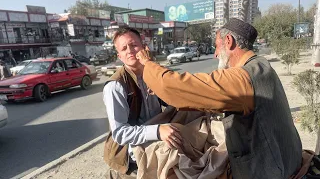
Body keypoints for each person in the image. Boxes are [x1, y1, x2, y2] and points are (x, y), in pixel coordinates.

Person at [136, 18, 303, 178]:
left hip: (269, 171)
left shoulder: (243, 78)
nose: (215, 54)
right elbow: (208, 99)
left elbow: (179, 86)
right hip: (285, 161)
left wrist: (148, 64)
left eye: (216, 46)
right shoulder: (260, 65)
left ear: (229, 41)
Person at [102, 27, 183, 178]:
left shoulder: (153, 73)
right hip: (130, 156)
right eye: (124, 48)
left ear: (144, 47)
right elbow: (120, 133)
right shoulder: (116, 86)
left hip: (156, 140)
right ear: (119, 55)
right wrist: (158, 130)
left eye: (134, 45)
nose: (130, 51)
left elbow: (174, 98)